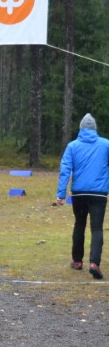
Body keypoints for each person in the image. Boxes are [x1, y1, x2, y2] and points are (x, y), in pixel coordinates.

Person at [56, 112, 109, 280]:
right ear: (95, 129)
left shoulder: (73, 146)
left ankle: (77, 261)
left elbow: (65, 169)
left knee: (79, 224)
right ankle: (94, 263)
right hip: (99, 194)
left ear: (80, 129)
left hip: (79, 193)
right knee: (97, 228)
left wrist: (61, 193)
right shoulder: (106, 145)